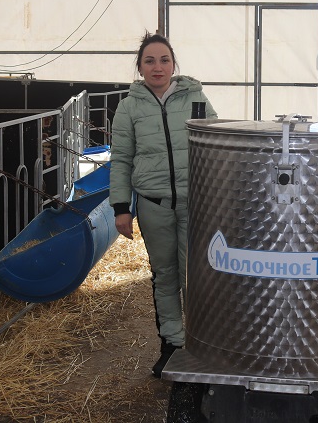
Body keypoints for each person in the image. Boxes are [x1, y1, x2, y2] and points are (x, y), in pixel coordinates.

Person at [109, 32, 218, 378]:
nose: (158, 67)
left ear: (174, 65)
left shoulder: (195, 97)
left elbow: (215, 143)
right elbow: (121, 159)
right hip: (153, 204)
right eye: (150, 61)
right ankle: (171, 344)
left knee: (195, 275)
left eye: (164, 60)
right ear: (140, 67)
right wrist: (121, 207)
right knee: (164, 274)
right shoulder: (129, 107)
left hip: (194, 203)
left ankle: (201, 343)